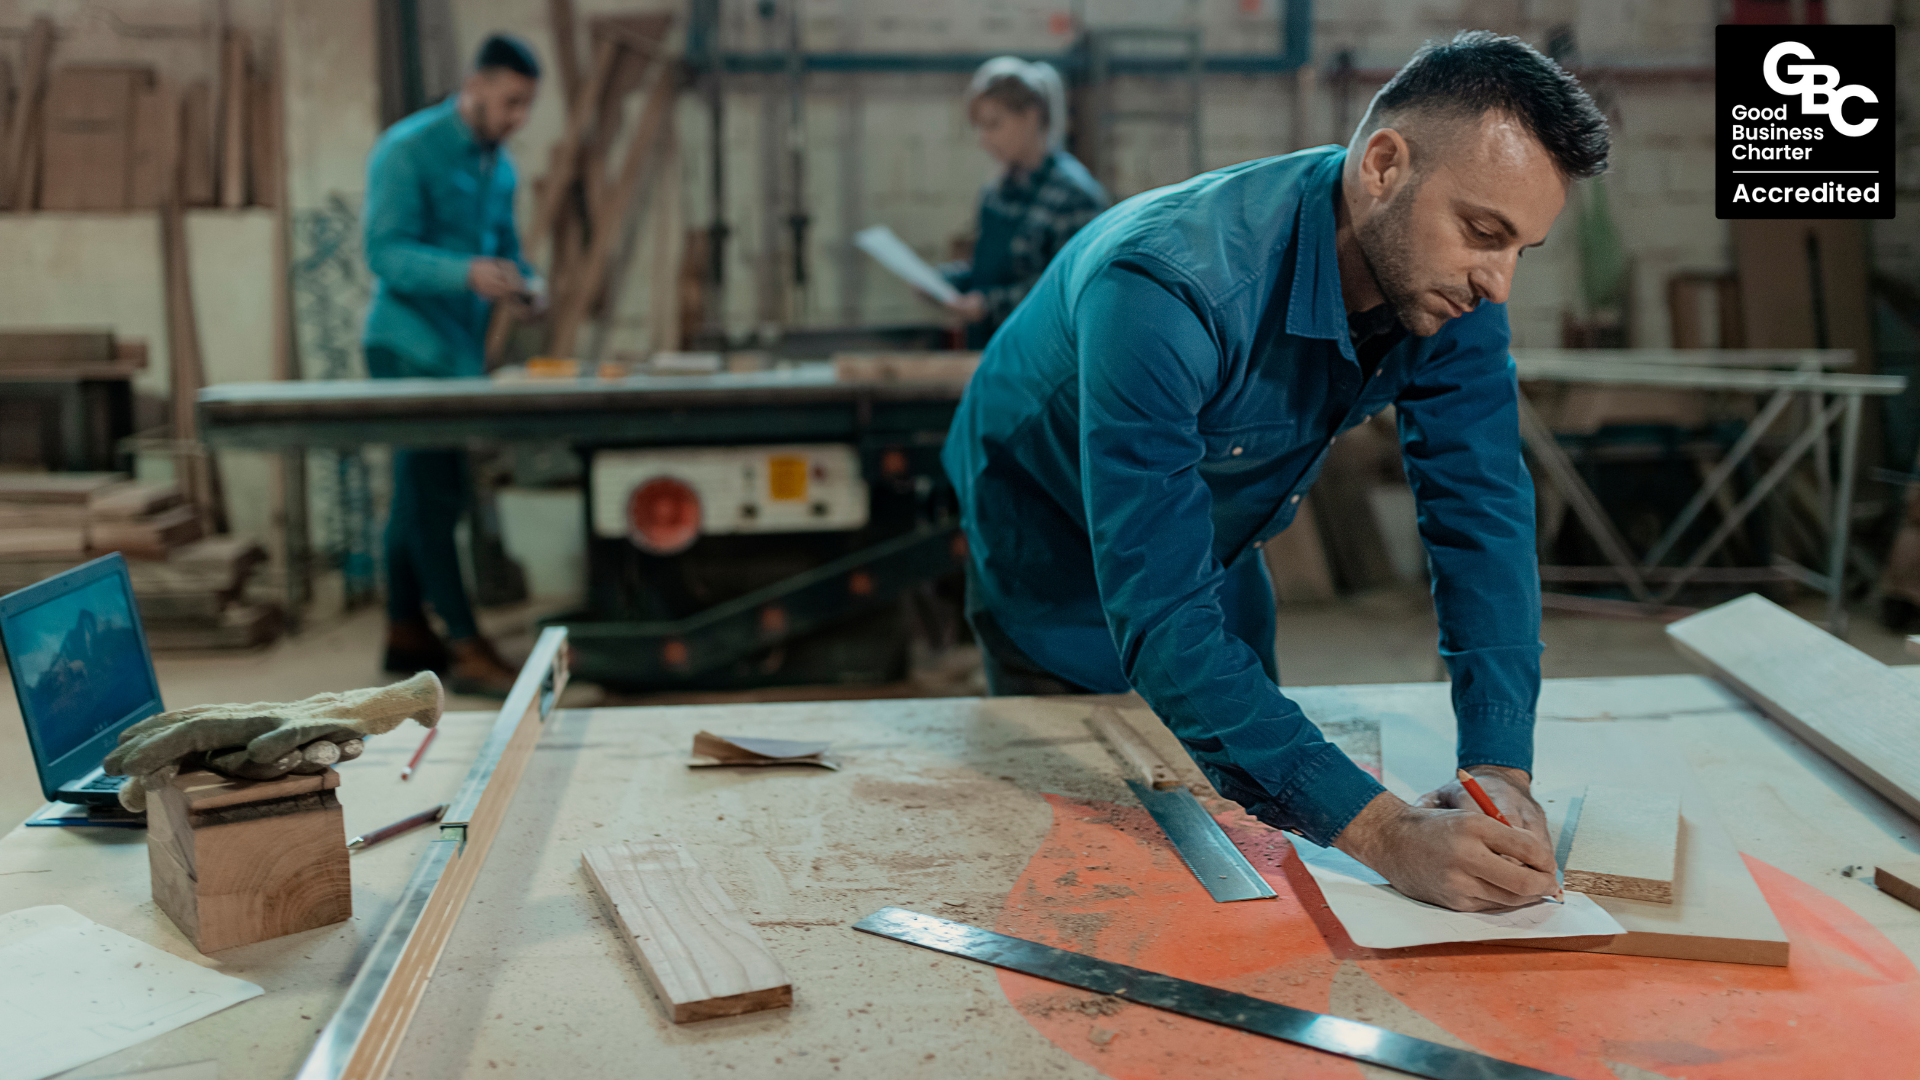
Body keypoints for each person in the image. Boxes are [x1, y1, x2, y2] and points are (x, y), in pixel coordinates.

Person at [942, 32, 1610, 913]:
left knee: (1244, 806)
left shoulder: (1454, 292)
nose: (1499, 283)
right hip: (1043, 528)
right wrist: (1382, 833)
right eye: (1484, 232)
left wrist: (1499, 763)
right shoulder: (1167, 287)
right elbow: (1159, 611)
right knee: (1084, 856)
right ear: (1382, 165)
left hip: (1220, 528)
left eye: (1523, 247)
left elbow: (1480, 512)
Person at [361, 34, 543, 697]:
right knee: (435, 497)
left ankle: (404, 630)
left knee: (420, 492)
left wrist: (529, 287)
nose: (519, 118)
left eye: (527, 106)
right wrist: (465, 272)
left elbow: (513, 253)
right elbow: (383, 252)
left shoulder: (501, 169)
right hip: (406, 345)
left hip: (459, 357)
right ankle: (464, 645)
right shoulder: (407, 150)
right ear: (476, 84)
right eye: (511, 102)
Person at [940, 57, 1108, 348]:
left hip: (1039, 363)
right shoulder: (998, 192)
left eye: (994, 124)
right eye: (979, 127)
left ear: (1031, 116)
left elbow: (1069, 290)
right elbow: (990, 272)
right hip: (988, 354)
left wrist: (988, 306)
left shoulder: (1074, 196)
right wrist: (946, 282)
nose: (984, 139)